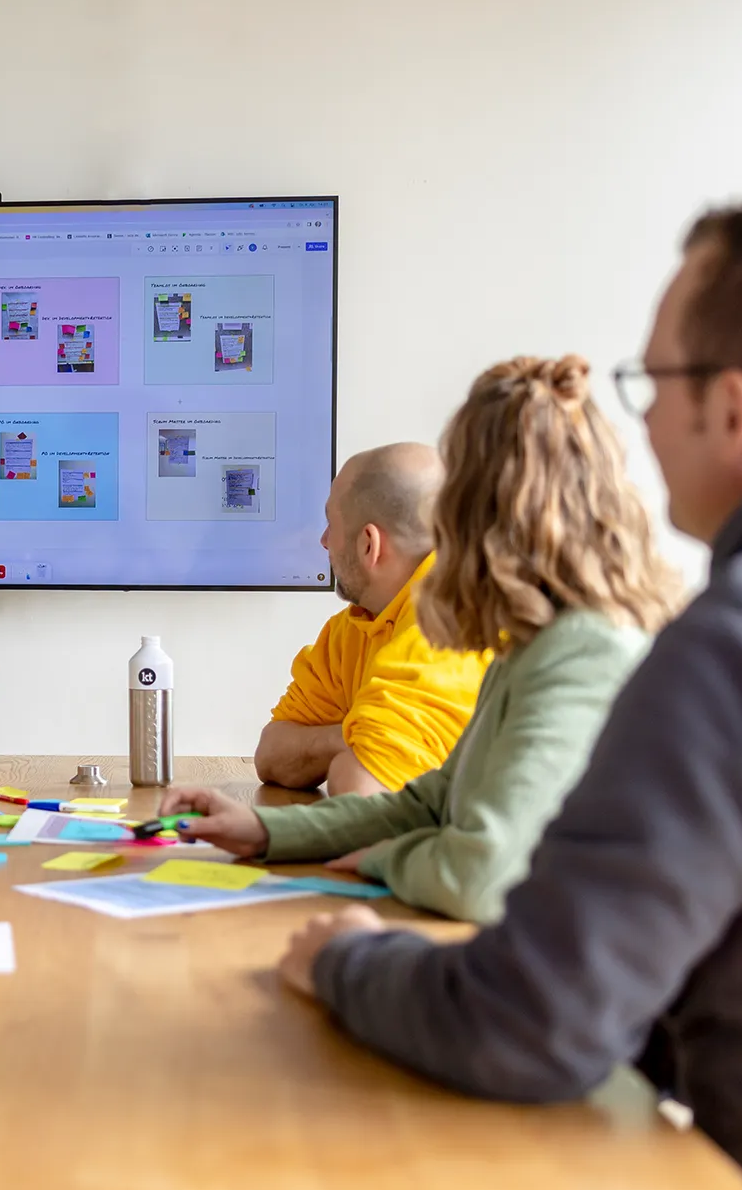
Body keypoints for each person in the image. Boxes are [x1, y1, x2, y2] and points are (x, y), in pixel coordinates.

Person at [278, 194, 742, 1190]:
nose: (642, 424)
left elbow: (527, 1022)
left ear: (735, 408)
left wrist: (343, 959)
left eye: (652, 381)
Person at [161, 357, 680, 922]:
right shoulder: (533, 639)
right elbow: (432, 802)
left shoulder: (584, 648)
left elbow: (474, 877)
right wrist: (265, 829)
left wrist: (381, 858)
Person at [255, 443, 490, 796]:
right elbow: (271, 754)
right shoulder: (353, 629)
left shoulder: (449, 625)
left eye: (331, 524)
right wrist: (351, 734)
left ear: (369, 544)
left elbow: (360, 789)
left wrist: (345, 743)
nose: (323, 541)